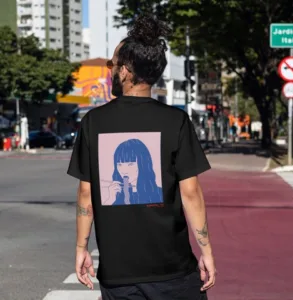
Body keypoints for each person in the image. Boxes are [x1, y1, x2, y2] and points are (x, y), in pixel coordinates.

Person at [67, 14, 216, 300]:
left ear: (125, 71)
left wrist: (80, 248)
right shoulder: (176, 120)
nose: (110, 70)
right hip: (173, 270)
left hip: (118, 276)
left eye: (112, 64)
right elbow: (191, 192)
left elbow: (85, 194)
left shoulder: (93, 122)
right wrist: (206, 252)